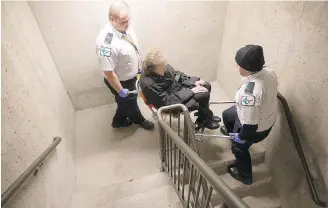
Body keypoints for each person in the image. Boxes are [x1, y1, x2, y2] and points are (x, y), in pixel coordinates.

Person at [220, 44, 278, 185]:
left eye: (238, 65)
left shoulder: (249, 94)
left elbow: (250, 126)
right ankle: (231, 133)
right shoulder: (269, 72)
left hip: (256, 128)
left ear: (245, 68)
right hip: (265, 116)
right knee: (227, 115)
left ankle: (245, 175)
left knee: (238, 148)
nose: (237, 67)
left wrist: (240, 137)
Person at [95, 1, 154, 130]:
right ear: (112, 20)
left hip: (132, 75)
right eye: (123, 22)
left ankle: (118, 121)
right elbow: (109, 74)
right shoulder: (106, 45)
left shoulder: (123, 27)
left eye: (128, 20)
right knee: (130, 103)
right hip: (122, 81)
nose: (127, 25)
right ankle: (140, 120)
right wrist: (120, 90)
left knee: (124, 103)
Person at [139, 49, 221, 130]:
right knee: (204, 94)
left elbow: (177, 75)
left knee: (206, 85)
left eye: (165, 65)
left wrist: (192, 82)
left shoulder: (161, 66)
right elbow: (167, 102)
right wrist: (191, 91)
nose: (166, 68)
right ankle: (204, 121)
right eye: (163, 67)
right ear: (152, 69)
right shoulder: (149, 84)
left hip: (176, 91)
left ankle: (205, 115)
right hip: (170, 104)